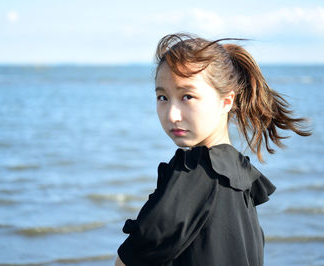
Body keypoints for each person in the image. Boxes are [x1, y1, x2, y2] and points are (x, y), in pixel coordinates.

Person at [115, 33, 311, 266]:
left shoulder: (197, 173)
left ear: (226, 101)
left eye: (187, 96)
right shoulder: (239, 174)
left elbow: (131, 260)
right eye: (162, 97)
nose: (171, 115)